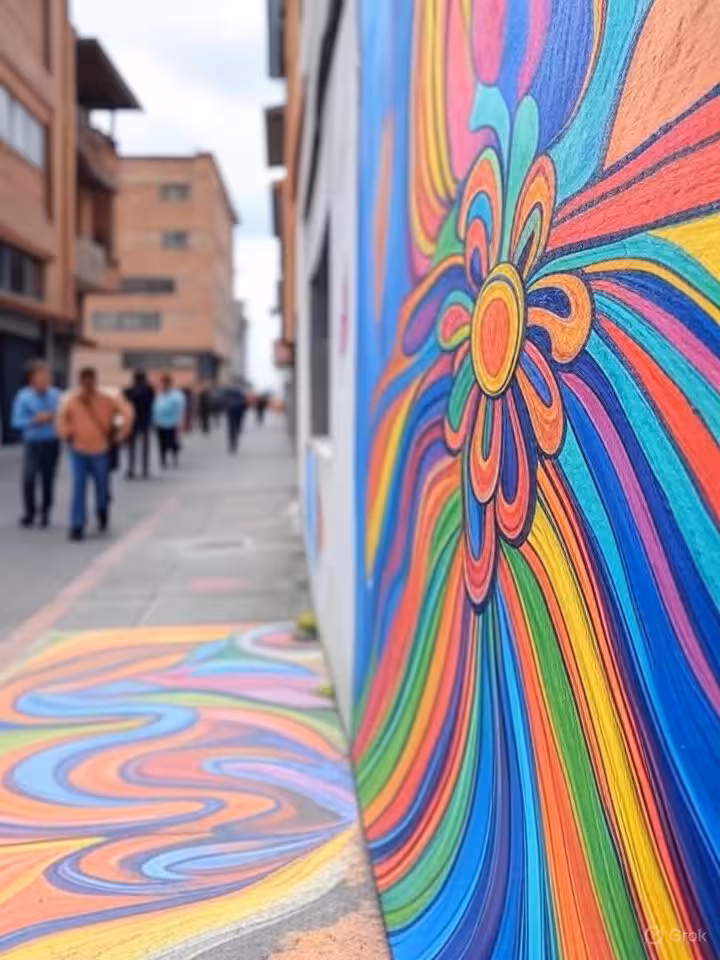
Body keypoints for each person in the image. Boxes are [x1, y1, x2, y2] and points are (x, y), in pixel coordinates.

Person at [56, 367, 134, 541]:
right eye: (84, 381)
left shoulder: (108, 399)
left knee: (102, 487)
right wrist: (66, 433)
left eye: (90, 381)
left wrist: (121, 434)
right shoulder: (71, 400)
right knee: (79, 487)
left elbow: (126, 413)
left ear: (95, 381)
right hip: (78, 450)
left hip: (101, 450)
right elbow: (61, 419)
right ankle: (77, 525)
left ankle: (102, 510)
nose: (87, 385)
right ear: (80, 382)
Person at [11, 360, 62, 529]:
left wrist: (55, 418)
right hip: (33, 443)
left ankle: (45, 512)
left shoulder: (57, 395)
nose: (45, 379)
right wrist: (35, 420)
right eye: (41, 376)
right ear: (32, 379)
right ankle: (29, 512)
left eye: (47, 376)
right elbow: (16, 422)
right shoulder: (23, 397)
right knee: (29, 478)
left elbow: (65, 417)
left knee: (48, 479)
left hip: (52, 442)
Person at [124, 370, 155, 479]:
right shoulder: (148, 390)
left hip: (133, 421)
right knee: (144, 447)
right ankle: (144, 470)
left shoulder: (129, 390)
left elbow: (125, 405)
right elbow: (151, 403)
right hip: (144, 421)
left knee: (131, 447)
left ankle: (131, 469)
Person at [153, 374, 186, 468]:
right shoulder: (159, 395)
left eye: (165, 383)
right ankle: (163, 460)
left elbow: (180, 410)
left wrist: (180, 422)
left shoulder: (177, 396)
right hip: (160, 423)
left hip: (172, 423)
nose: (164, 385)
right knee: (161, 442)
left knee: (172, 442)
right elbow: (154, 408)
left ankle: (174, 458)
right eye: (163, 383)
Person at [223, 384, 248, 454]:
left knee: (231, 428)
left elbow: (225, 405)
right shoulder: (241, 398)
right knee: (236, 427)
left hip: (231, 416)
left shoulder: (229, 398)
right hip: (238, 416)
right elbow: (245, 406)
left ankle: (232, 442)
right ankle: (234, 440)